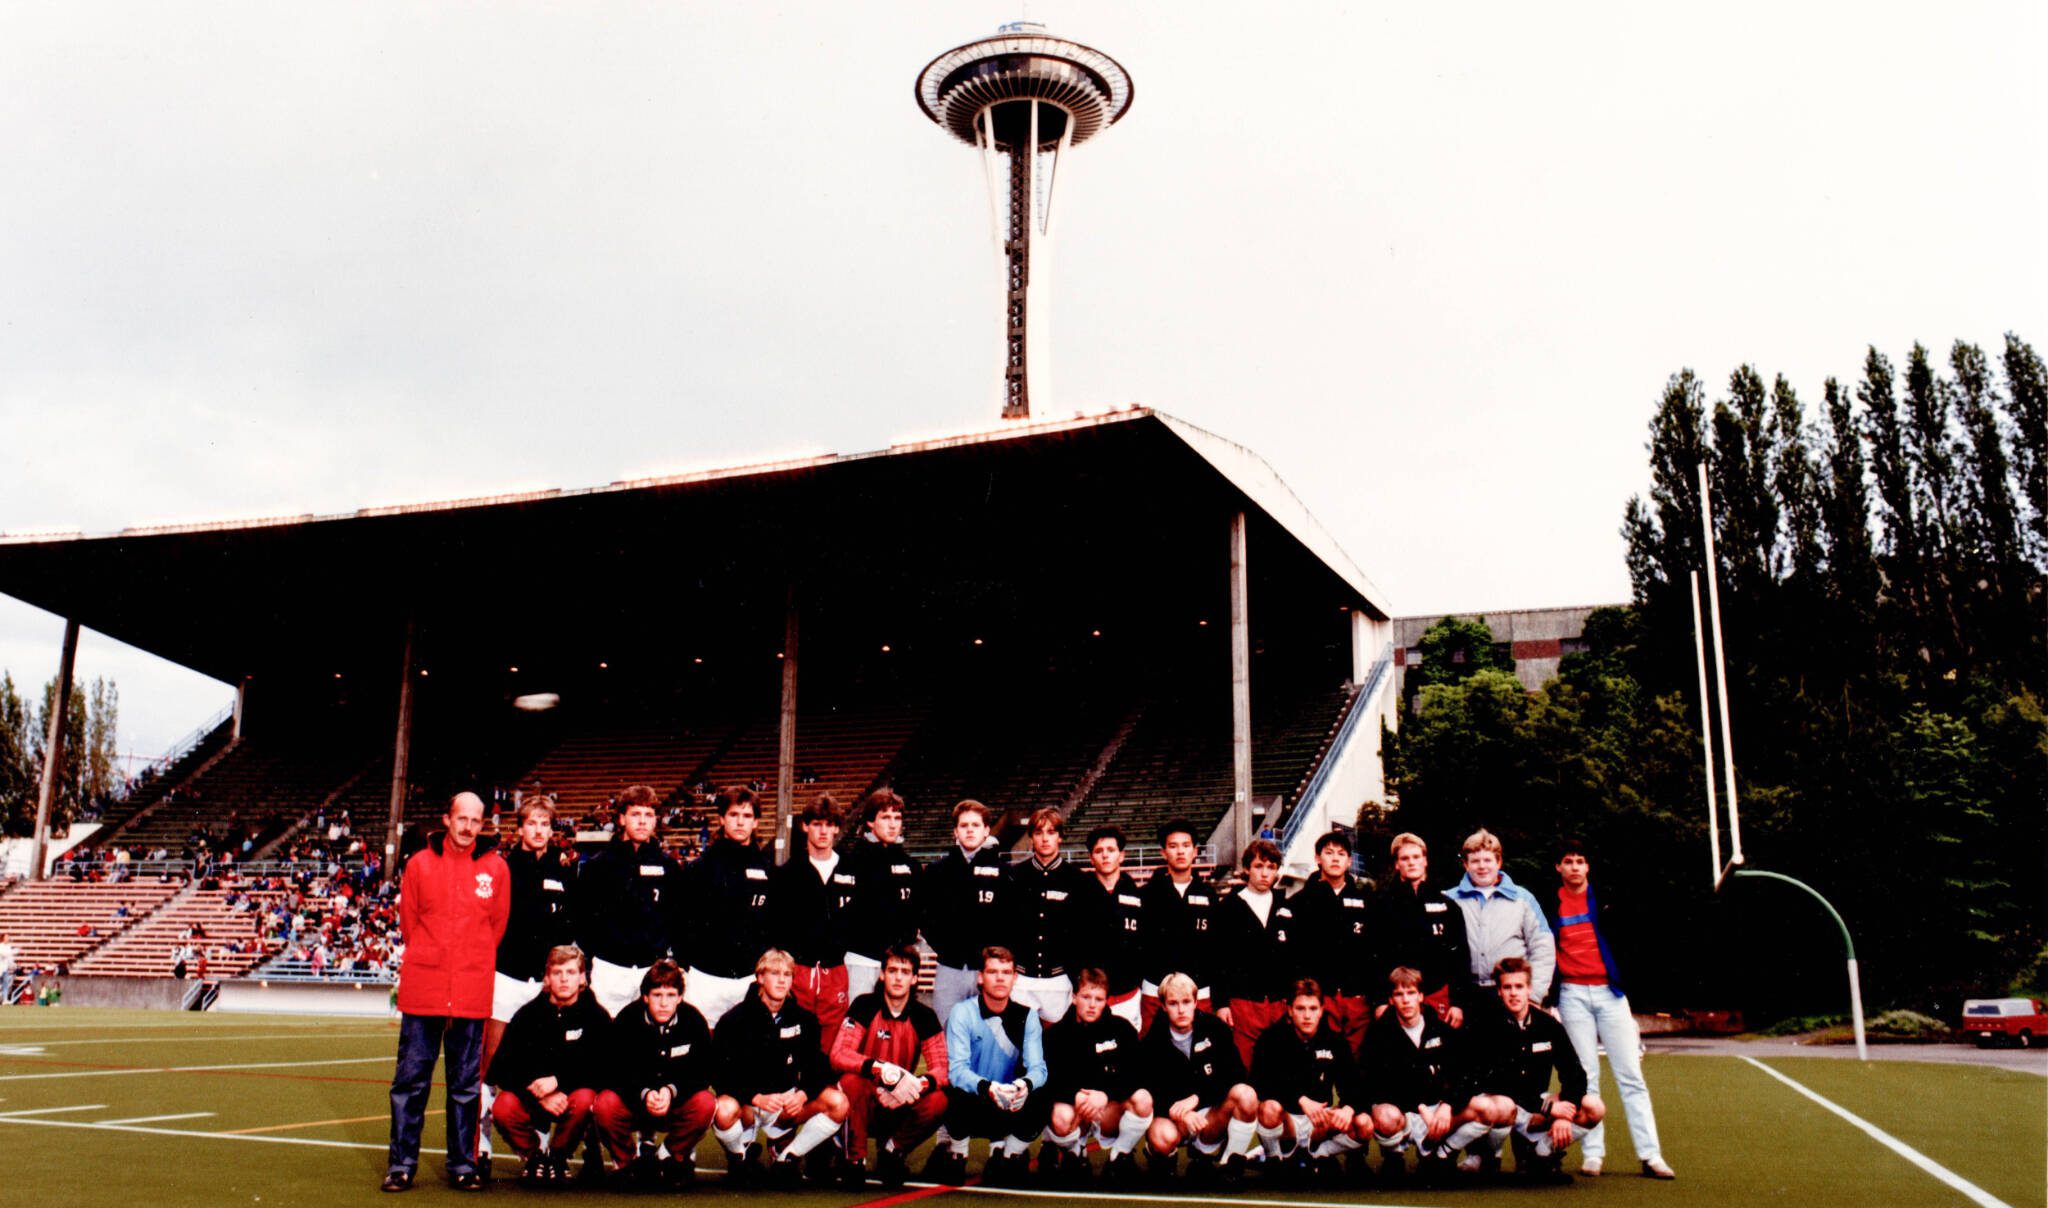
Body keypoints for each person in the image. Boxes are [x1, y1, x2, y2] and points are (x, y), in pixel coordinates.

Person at [383, 792, 511, 1193]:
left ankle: (462, 1164)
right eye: (462, 818)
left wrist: (469, 965)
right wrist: (434, 960)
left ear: (482, 825)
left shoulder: (496, 868)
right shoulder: (419, 864)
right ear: (447, 819)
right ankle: (401, 1165)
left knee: (465, 1086)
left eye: (476, 820)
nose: (468, 826)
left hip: (472, 993)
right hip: (425, 991)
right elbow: (410, 924)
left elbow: (497, 927)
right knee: (410, 1083)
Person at [1544, 839, 1675, 1179]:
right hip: (1572, 995)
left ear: (1588, 867)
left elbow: (1630, 942)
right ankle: (1593, 1155)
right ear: (1559, 867)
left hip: (1610, 994)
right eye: (1568, 861)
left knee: (1631, 1076)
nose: (1574, 866)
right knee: (1586, 1077)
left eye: (1580, 861)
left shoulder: (1607, 899)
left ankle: (1650, 1155)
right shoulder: (1550, 903)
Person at [710, 948, 850, 1187]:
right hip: (748, 1107)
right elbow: (720, 1073)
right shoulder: (734, 1019)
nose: (781, 980)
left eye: (787, 974)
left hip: (784, 1108)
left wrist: (804, 1093)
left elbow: (817, 1066)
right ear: (760, 978)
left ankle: (787, 1159)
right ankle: (739, 1157)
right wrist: (755, 1097)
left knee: (839, 1103)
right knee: (723, 1110)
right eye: (774, 973)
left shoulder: (803, 1019)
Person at [1462, 956, 1605, 1181]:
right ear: (1499, 991)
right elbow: (1501, 1082)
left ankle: (1542, 1153)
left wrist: (1564, 1115)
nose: (1513, 993)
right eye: (1507, 987)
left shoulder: (1548, 1025)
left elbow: (1575, 1074)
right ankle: (1484, 1153)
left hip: (1536, 1107)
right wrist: (1547, 1109)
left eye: (1519, 986)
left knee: (1593, 1106)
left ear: (1529, 988)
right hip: (1502, 1107)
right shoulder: (1486, 1025)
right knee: (1501, 1105)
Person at [1358, 966, 1502, 1183]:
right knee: (1384, 1116)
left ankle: (1443, 1153)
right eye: (1399, 994)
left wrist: (1447, 1106)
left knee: (1488, 1108)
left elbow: (1466, 1073)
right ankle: (1394, 1155)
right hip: (1405, 1115)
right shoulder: (1378, 1035)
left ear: (1421, 996)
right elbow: (1375, 1085)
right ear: (1390, 999)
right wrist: (1421, 1109)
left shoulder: (1440, 1029)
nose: (1406, 1000)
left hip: (1440, 1113)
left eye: (1411, 993)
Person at [486, 944, 611, 1185]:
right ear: (547, 976)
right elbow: (501, 1068)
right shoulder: (527, 1015)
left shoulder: (596, 1015)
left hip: (571, 1100)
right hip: (535, 1097)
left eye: (571, 972)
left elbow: (603, 1067)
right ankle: (534, 1156)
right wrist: (537, 1091)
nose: (564, 979)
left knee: (586, 1098)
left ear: (582, 977)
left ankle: (558, 1156)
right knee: (503, 1106)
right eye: (557, 972)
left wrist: (560, 1082)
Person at [926, 945, 1049, 1187]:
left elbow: (1039, 1069)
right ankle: (958, 1152)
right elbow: (957, 1070)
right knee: (947, 1089)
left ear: (1015, 977)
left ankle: (1007, 1155)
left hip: (1009, 1103)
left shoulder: (1028, 1016)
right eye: (993, 972)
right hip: (973, 1101)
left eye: (1006, 972)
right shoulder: (962, 1012)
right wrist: (987, 1087)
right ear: (981, 977)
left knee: (1044, 1092)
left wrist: (1023, 1085)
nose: (1000, 978)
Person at [830, 944, 950, 1189]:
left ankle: (892, 1151)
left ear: (915, 978)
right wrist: (880, 1071)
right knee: (851, 1082)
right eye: (892, 970)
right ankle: (854, 1159)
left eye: (905, 972)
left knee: (939, 1100)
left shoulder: (924, 1016)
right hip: (866, 1101)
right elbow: (839, 1054)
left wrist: (914, 1085)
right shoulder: (864, 1005)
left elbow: (941, 1070)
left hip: (899, 1102)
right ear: (882, 974)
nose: (898, 977)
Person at [485, 798, 578, 1111]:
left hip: (545, 984)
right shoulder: (503, 868)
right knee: (490, 1063)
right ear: (520, 827)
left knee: (543, 1065)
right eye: (533, 823)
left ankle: (541, 1142)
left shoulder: (563, 870)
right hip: (506, 976)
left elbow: (568, 930)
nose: (539, 830)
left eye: (545, 824)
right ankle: (480, 1143)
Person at [592, 959, 716, 1188]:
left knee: (706, 1103)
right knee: (605, 1104)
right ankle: (626, 1162)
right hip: (636, 1103)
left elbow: (702, 1070)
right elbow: (615, 1070)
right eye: (657, 995)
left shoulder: (694, 1021)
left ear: (680, 997)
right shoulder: (626, 1021)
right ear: (645, 997)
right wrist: (644, 1092)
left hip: (674, 1104)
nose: (663, 1003)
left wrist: (671, 1091)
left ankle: (670, 1157)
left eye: (670, 995)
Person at [1138, 971, 1261, 1186]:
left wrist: (1197, 1098)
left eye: (1186, 1002)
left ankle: (1228, 1163)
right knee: (1161, 1136)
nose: (1181, 1009)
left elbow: (1236, 1074)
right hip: (1175, 1118)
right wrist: (1180, 1113)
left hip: (1209, 1115)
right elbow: (1149, 1088)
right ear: (1164, 1006)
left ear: (1196, 1002)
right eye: (1173, 1003)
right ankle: (1163, 1156)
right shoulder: (1153, 1040)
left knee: (1246, 1095)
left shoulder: (1216, 1029)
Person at [1248, 977, 1372, 1184]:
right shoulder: (1271, 1039)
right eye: (1301, 1008)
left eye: (1313, 1008)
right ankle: (1273, 1158)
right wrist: (1300, 1100)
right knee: (1269, 1108)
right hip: (1286, 1122)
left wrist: (1348, 1109)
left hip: (1319, 1124)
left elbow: (1356, 1086)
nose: (1307, 1016)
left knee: (1364, 1124)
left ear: (1322, 1010)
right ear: (1289, 1010)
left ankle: (1318, 1154)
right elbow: (1258, 1083)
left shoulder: (1334, 1041)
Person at [572, 784, 680, 1016]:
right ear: (621, 819)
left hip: (652, 969)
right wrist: (601, 952)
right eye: (635, 814)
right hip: (610, 970)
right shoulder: (599, 865)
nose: (642, 821)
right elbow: (582, 917)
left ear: (655, 821)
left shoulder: (668, 866)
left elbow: (676, 915)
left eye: (648, 815)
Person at [1039, 968, 1153, 1184]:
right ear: (1074, 998)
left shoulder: (1122, 1029)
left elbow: (1137, 1073)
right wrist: (1076, 1096)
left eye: (1098, 999)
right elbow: (1049, 1080)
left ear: (1106, 1001)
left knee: (1143, 1099)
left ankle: (1120, 1155)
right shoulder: (1056, 1035)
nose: (1092, 1004)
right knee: (1059, 1116)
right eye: (1086, 997)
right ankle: (1075, 1152)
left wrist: (1105, 1094)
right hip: (1077, 1110)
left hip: (1108, 1111)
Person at [678, 788, 774, 1029]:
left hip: (750, 979)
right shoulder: (700, 868)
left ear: (756, 822)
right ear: (721, 819)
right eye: (733, 815)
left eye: (747, 815)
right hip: (706, 978)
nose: (740, 821)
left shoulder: (769, 870)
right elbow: (682, 921)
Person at [768, 794, 858, 1043]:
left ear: (837, 829)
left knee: (832, 1035)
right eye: (817, 824)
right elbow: (776, 923)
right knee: (795, 1030)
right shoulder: (788, 872)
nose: (823, 831)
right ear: (805, 826)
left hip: (835, 968)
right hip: (800, 968)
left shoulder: (851, 870)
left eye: (829, 825)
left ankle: (826, 1082)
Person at [1445, 829, 1554, 1016]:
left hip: (1511, 994)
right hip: (1466, 998)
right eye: (1475, 861)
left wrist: (1534, 995)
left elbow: (1543, 949)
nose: (1482, 866)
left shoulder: (1523, 899)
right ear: (1465, 864)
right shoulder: (1448, 899)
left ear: (1499, 862)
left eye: (1488, 860)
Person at [918, 800, 1008, 1025]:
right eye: (964, 825)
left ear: (986, 830)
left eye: (976, 825)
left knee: (988, 1038)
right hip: (950, 968)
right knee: (947, 1034)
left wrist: (992, 953)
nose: (970, 830)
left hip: (987, 969)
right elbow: (925, 917)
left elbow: (1011, 919)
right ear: (955, 831)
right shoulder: (938, 871)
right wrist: (947, 948)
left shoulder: (1003, 871)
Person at [1286, 830, 1377, 1052]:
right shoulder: (1299, 902)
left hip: (1357, 999)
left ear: (1349, 861)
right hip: (1320, 999)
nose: (1335, 858)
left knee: (1357, 1064)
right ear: (1318, 858)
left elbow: (1376, 952)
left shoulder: (1367, 902)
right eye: (1328, 853)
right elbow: (1292, 954)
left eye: (1341, 853)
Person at [1213, 839, 1298, 1067]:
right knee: (1245, 1070)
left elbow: (1294, 959)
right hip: (1243, 1004)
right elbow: (1218, 960)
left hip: (1279, 1003)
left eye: (1271, 867)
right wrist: (1221, 1003)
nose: (1264, 873)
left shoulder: (1286, 907)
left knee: (1281, 1070)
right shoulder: (1229, 907)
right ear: (1247, 868)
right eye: (1259, 866)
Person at [1372, 832, 1471, 1025]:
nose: (1411, 862)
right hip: (1399, 999)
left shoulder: (1448, 906)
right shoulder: (1381, 905)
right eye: (1405, 858)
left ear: (1425, 860)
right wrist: (1380, 1001)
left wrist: (1458, 1003)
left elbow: (1460, 959)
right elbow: (1373, 957)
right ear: (1396, 864)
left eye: (1416, 857)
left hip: (1437, 996)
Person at [1003, 807, 1086, 1024]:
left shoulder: (1077, 879)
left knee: (1057, 1049)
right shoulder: (1013, 875)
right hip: (1021, 979)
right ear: (1031, 838)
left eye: (1051, 832)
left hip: (1058, 979)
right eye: (1039, 832)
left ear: (1060, 837)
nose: (1045, 838)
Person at [1138, 819, 1222, 1032]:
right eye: (1173, 846)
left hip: (1198, 993)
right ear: (1163, 852)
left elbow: (1216, 949)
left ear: (1195, 851)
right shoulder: (1148, 894)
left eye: (1186, 846)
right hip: (1156, 993)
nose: (1180, 852)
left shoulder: (1208, 894)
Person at [839, 789, 921, 1003]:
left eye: (897, 818)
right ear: (870, 822)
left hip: (899, 965)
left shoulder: (910, 865)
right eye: (885, 817)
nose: (893, 824)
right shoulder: (851, 862)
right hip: (862, 961)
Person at [1071, 825, 1147, 1028]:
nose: (1105, 856)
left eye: (1111, 850)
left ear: (1121, 856)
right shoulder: (1078, 897)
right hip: (1090, 997)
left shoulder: (1137, 896)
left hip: (1127, 995)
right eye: (1099, 851)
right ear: (1091, 857)